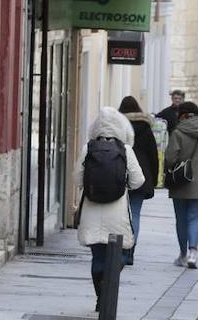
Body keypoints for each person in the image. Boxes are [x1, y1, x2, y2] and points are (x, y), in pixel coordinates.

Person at [75, 107, 145, 312]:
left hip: (91, 210)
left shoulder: (88, 148)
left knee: (97, 257)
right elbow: (138, 181)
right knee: (120, 254)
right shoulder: (126, 150)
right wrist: (123, 186)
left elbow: (77, 179)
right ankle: (109, 286)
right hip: (118, 212)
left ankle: (101, 298)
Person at [164, 100, 198, 268]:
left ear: (182, 115)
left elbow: (170, 159)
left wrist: (171, 169)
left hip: (180, 182)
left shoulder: (178, 133)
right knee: (194, 217)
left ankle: (182, 255)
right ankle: (193, 253)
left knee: (181, 218)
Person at [118, 95, 158, 265]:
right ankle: (130, 250)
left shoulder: (118, 127)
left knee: (119, 214)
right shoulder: (146, 127)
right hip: (142, 176)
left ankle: (120, 248)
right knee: (135, 213)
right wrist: (154, 180)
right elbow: (153, 156)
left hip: (119, 173)